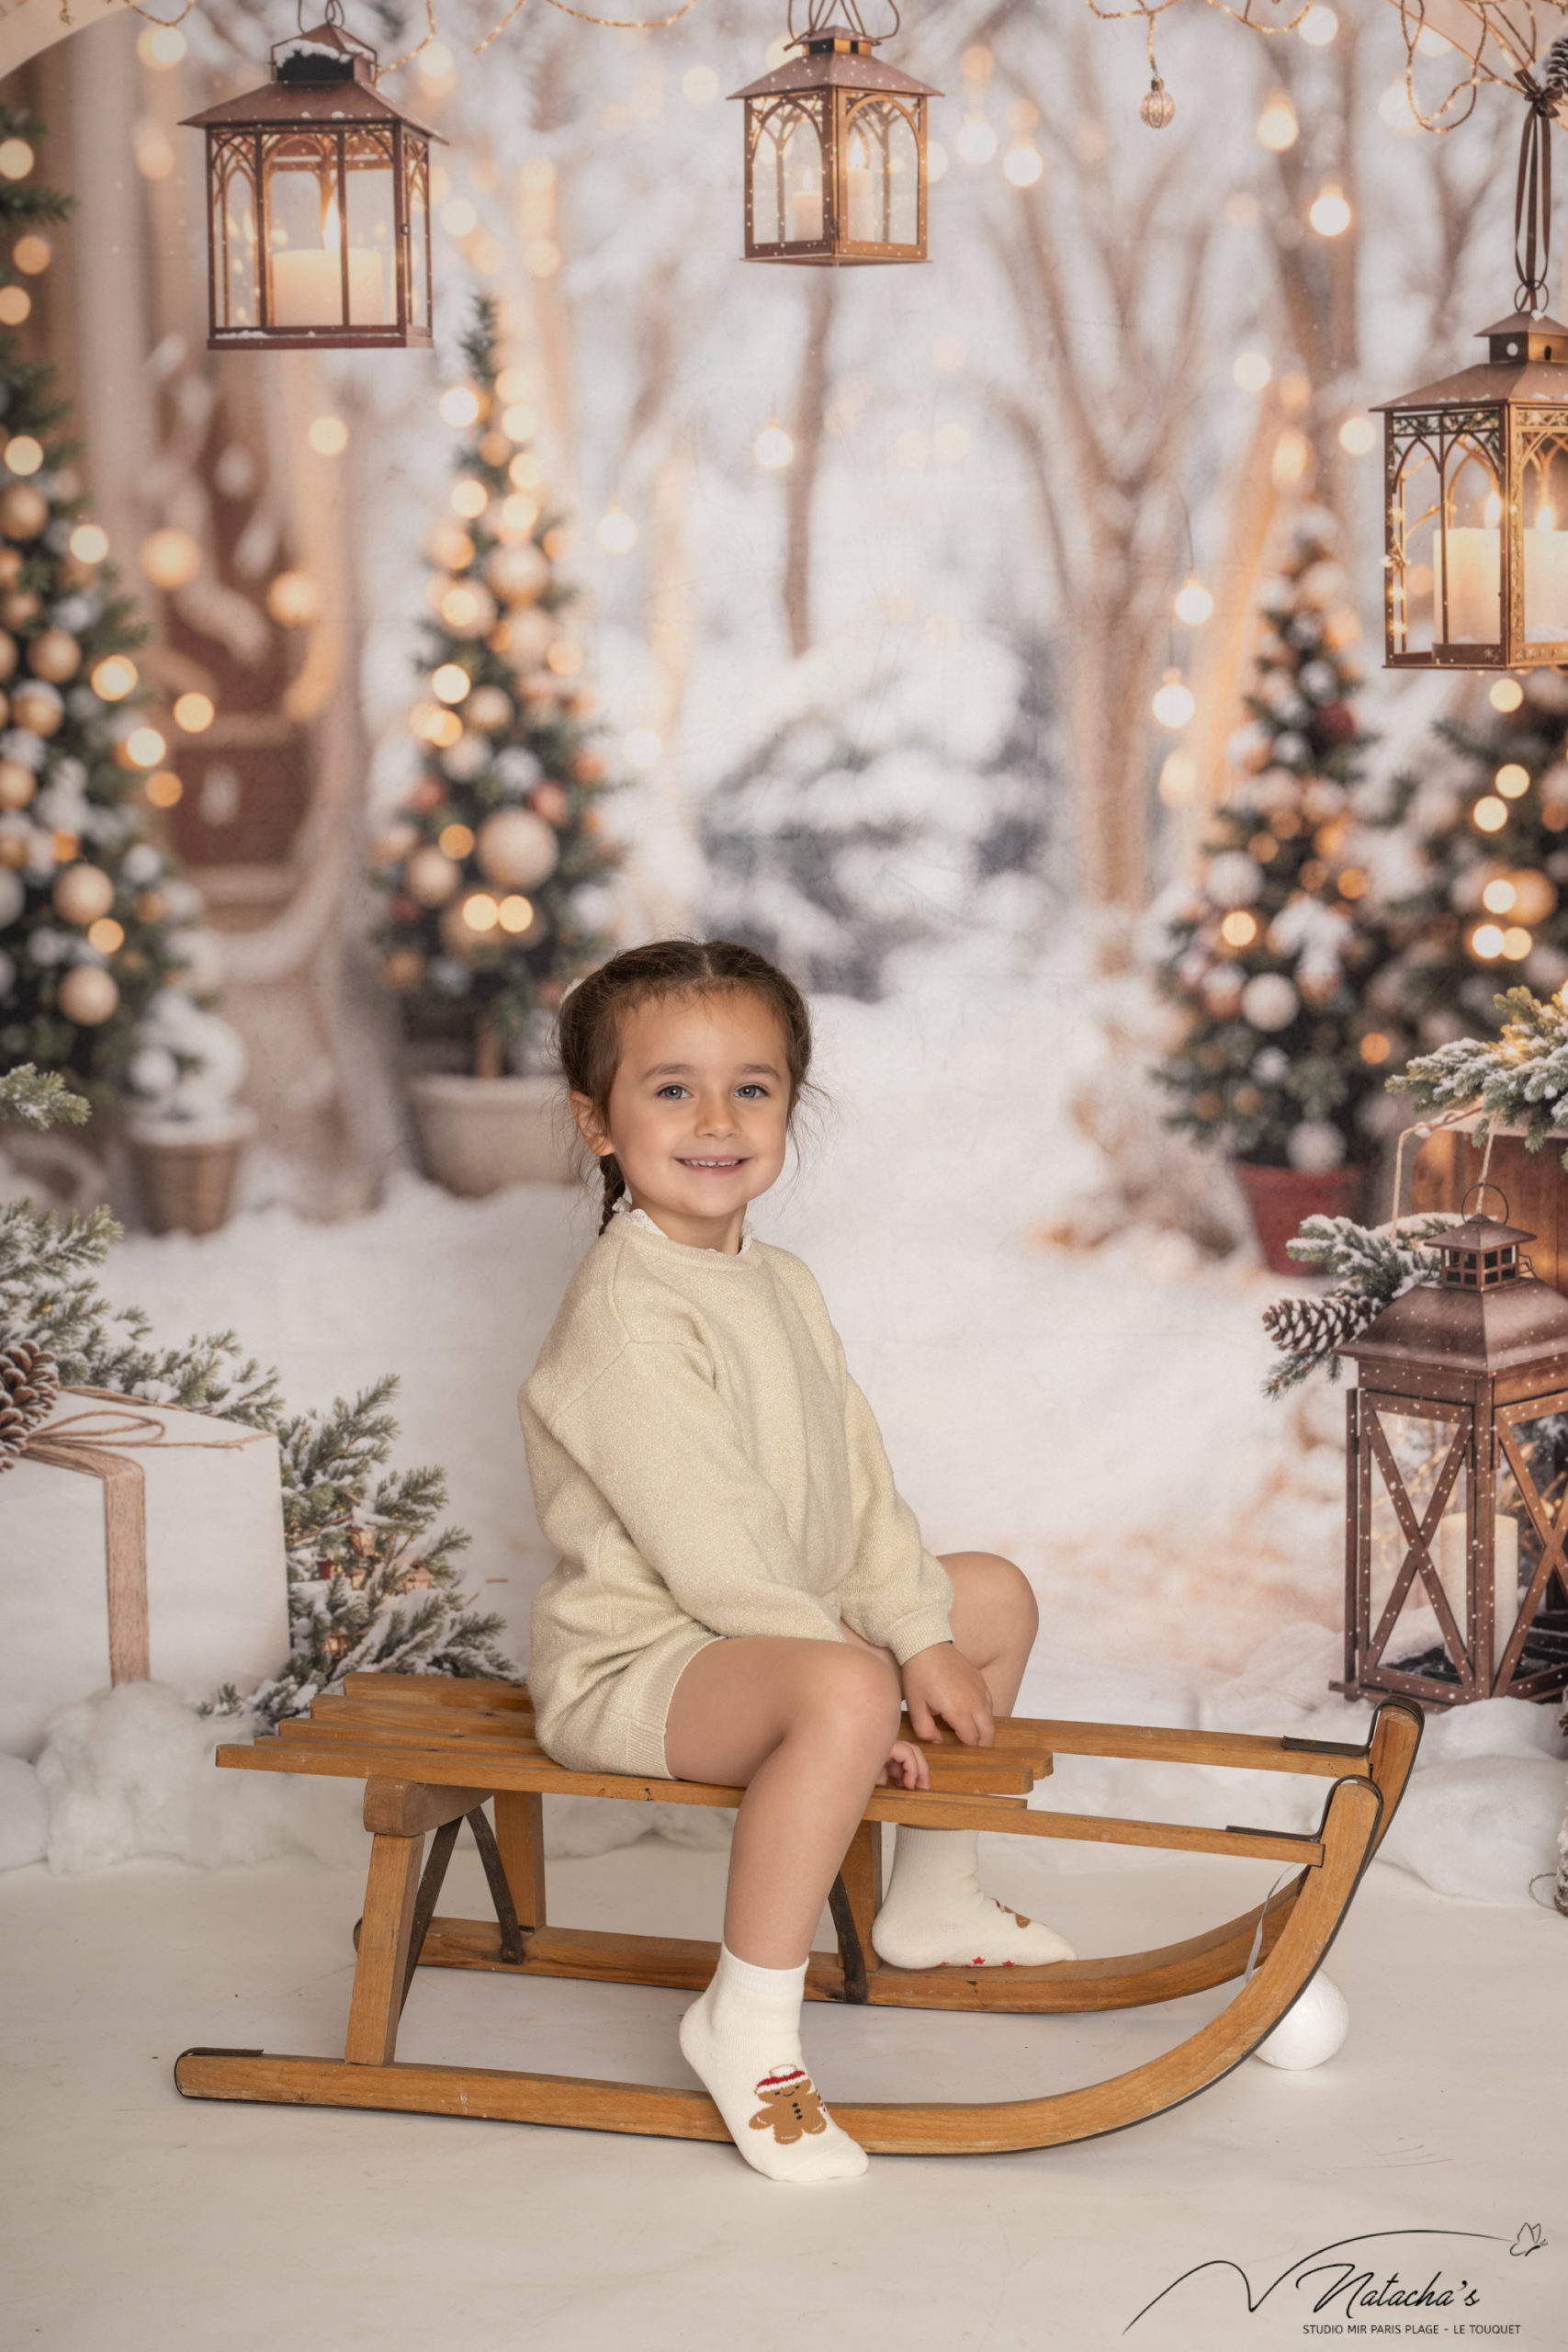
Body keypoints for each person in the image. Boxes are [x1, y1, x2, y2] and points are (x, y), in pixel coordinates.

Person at [520, 940, 1072, 2183]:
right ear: (597, 1122)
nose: (716, 1120)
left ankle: (933, 1893)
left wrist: (919, 1632)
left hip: (774, 1625)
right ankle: (749, 2021)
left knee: (988, 1595)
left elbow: (861, 1489)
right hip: (644, 1663)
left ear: (789, 1107)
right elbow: (711, 1546)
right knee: (845, 1687)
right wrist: (862, 1672)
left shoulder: (782, 1283)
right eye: (672, 1089)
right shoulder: (628, 1309)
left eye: (752, 1088)